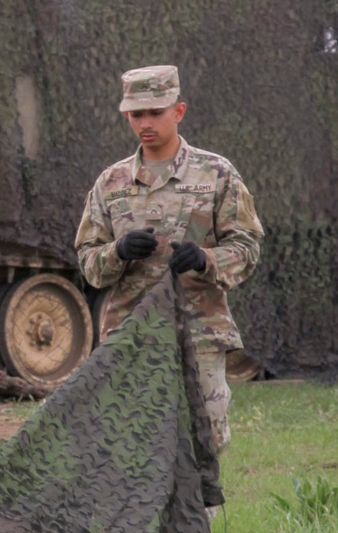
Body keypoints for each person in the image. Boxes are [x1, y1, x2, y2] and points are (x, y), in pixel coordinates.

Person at [75, 64, 263, 456]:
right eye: (136, 114)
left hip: (199, 332)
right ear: (127, 115)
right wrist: (118, 252)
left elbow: (247, 248)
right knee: (131, 444)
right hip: (133, 336)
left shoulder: (216, 174)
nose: (146, 122)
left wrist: (205, 259)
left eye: (155, 112)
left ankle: (198, 518)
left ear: (178, 111)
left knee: (203, 441)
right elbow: (89, 263)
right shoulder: (111, 183)